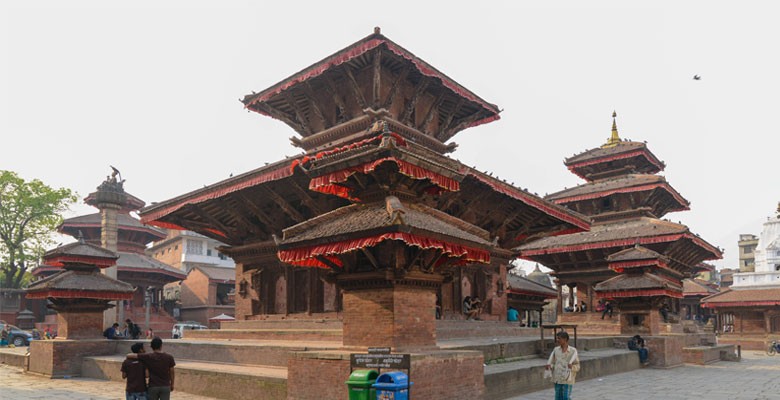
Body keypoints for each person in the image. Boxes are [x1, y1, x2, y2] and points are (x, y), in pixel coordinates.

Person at [545, 331, 580, 400]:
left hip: (567, 379)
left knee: (566, 397)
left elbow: (577, 366)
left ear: (565, 339)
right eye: (557, 338)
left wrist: (572, 367)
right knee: (558, 397)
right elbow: (553, 363)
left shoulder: (573, 351)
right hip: (557, 378)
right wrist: (549, 366)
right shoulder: (556, 350)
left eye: (559, 338)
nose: (557, 340)